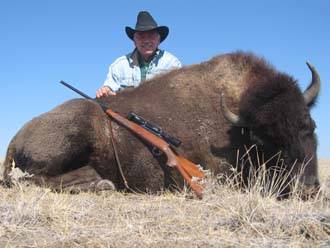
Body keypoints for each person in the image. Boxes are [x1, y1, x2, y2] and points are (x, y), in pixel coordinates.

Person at [96, 11, 182, 98]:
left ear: (159, 40)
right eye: (141, 36)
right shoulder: (119, 65)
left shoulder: (172, 63)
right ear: (134, 41)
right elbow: (109, 88)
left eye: (152, 35)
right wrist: (105, 90)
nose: (146, 40)